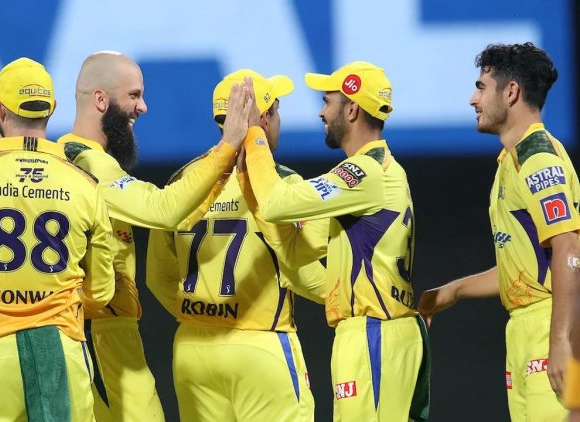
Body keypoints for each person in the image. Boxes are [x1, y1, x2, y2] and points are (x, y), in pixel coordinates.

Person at [56, 51, 248, 421]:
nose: (142, 107)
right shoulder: (89, 163)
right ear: (100, 99)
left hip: (88, 330)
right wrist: (228, 147)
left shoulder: (66, 156)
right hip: (99, 333)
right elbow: (164, 210)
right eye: (133, 95)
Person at [0, 57, 115, 421]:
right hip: (62, 352)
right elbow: (102, 292)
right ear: (52, 109)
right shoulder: (85, 186)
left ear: (0, 109)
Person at [243, 61, 430, 421]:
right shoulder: (377, 171)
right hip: (373, 332)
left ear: (352, 108)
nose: (321, 112)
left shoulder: (365, 172)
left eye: (327, 101)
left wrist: (254, 135)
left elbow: (279, 203)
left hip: (374, 334)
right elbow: (298, 255)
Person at [145, 69, 329, 421]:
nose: (279, 120)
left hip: (193, 348)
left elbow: (157, 276)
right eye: (276, 110)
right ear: (261, 117)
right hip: (262, 345)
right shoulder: (283, 186)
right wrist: (344, 298)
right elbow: (302, 268)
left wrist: (202, 313)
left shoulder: (184, 182)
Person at [418, 42, 580, 421]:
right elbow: (528, 267)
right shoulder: (511, 161)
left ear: (511, 92)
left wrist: (560, 341)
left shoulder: (538, 157)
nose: (472, 99)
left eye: (480, 87)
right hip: (525, 332)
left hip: (549, 327)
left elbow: (569, 249)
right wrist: (454, 291)